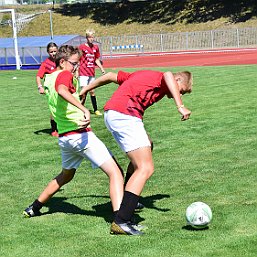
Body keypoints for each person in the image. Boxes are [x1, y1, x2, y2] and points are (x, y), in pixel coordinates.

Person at [23, 45, 125, 235]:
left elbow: (59, 97)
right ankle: (121, 220)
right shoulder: (64, 75)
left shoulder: (49, 77)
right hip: (80, 135)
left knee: (66, 176)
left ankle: (34, 207)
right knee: (116, 172)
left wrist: (79, 95)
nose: (76, 67)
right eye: (74, 64)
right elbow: (62, 90)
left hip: (65, 138)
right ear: (62, 62)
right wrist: (84, 108)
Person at [80, 69, 193, 235]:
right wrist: (180, 106)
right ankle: (121, 221)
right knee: (145, 168)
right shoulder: (163, 78)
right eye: (181, 90)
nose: (178, 94)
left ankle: (127, 202)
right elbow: (168, 74)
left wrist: (86, 89)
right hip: (124, 115)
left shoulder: (143, 75)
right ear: (177, 80)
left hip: (116, 114)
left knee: (148, 145)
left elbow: (111, 76)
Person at [79, 28, 105, 116]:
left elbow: (96, 59)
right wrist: (75, 71)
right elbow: (78, 59)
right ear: (86, 37)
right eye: (89, 37)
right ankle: (80, 110)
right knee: (83, 92)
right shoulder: (82, 47)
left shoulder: (95, 48)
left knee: (92, 91)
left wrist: (101, 68)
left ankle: (96, 109)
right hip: (83, 73)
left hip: (91, 73)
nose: (91, 39)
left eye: (92, 37)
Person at [36, 42, 59, 137]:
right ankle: (54, 130)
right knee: (54, 109)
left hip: (62, 88)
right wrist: (40, 87)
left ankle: (64, 128)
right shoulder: (45, 63)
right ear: (48, 52)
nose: (53, 53)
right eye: (51, 52)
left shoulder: (61, 60)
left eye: (55, 51)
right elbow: (38, 76)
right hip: (51, 90)